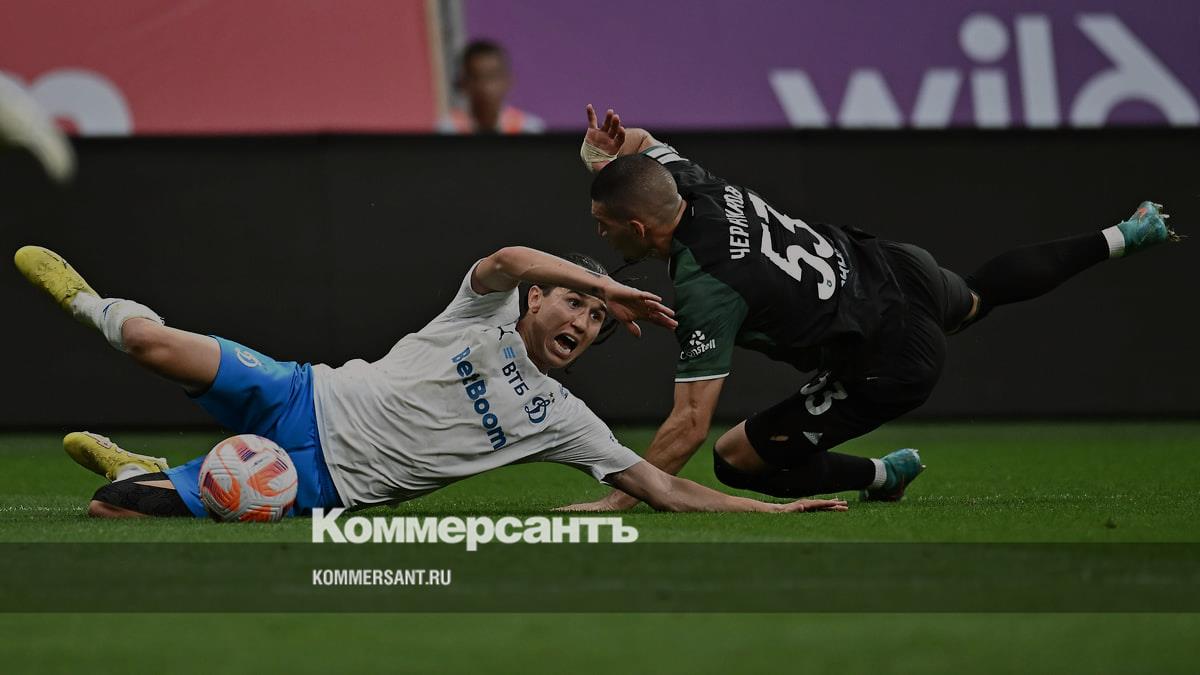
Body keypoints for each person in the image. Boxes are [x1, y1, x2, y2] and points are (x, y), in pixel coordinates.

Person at [565, 104, 1180, 511]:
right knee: (975, 296)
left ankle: (880, 475)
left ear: (639, 229)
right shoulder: (694, 183)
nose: (599, 233)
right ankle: (1125, 235)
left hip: (888, 356)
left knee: (735, 461)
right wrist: (601, 157)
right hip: (892, 267)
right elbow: (640, 144)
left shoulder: (707, 284)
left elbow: (689, 426)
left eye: (603, 224)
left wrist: (620, 499)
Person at [13, 244, 849, 518]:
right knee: (151, 342)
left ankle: (138, 471)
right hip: (303, 392)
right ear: (537, 298)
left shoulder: (563, 417)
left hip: (319, 481)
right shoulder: (479, 313)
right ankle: (87, 300)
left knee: (112, 509)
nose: (584, 321)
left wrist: (770, 509)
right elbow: (507, 259)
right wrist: (608, 282)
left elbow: (661, 486)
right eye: (574, 302)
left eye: (597, 319)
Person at [437, 40, 544, 135]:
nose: (486, 86)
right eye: (477, 77)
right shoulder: (448, 129)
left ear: (508, 81)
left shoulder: (529, 129)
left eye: (493, 77)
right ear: (463, 83)